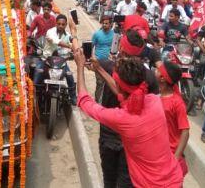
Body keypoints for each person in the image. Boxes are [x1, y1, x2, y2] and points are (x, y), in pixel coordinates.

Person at [74, 51, 184, 187]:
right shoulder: (155, 101)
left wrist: (79, 67)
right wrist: (99, 69)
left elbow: (85, 101)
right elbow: (124, 92)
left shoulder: (122, 118)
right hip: (175, 180)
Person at [87, 32, 161, 187]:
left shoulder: (108, 66)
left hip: (110, 134)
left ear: (122, 48)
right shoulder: (150, 77)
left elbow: (89, 64)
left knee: (109, 179)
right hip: (135, 138)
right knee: (127, 181)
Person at [156, 61, 190, 175]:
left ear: (162, 78)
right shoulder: (157, 97)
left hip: (170, 153)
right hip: (158, 151)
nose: (155, 70)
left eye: (158, 70)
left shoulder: (177, 102)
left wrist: (176, 158)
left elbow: (185, 131)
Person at [38, 14, 77, 103]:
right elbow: (56, 41)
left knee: (70, 77)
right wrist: (70, 46)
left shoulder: (67, 35)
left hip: (61, 62)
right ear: (56, 23)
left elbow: (73, 44)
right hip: (47, 60)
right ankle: (35, 97)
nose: (60, 26)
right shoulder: (50, 32)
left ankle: (73, 97)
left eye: (63, 24)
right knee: (37, 75)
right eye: (59, 24)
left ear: (66, 25)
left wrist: (74, 49)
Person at [91, 16, 114, 102]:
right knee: (100, 83)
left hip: (110, 63)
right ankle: (97, 101)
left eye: (106, 23)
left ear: (110, 24)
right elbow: (91, 47)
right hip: (99, 62)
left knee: (109, 84)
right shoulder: (97, 34)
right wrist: (92, 59)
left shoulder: (114, 35)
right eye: (103, 23)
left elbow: (116, 47)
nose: (104, 25)